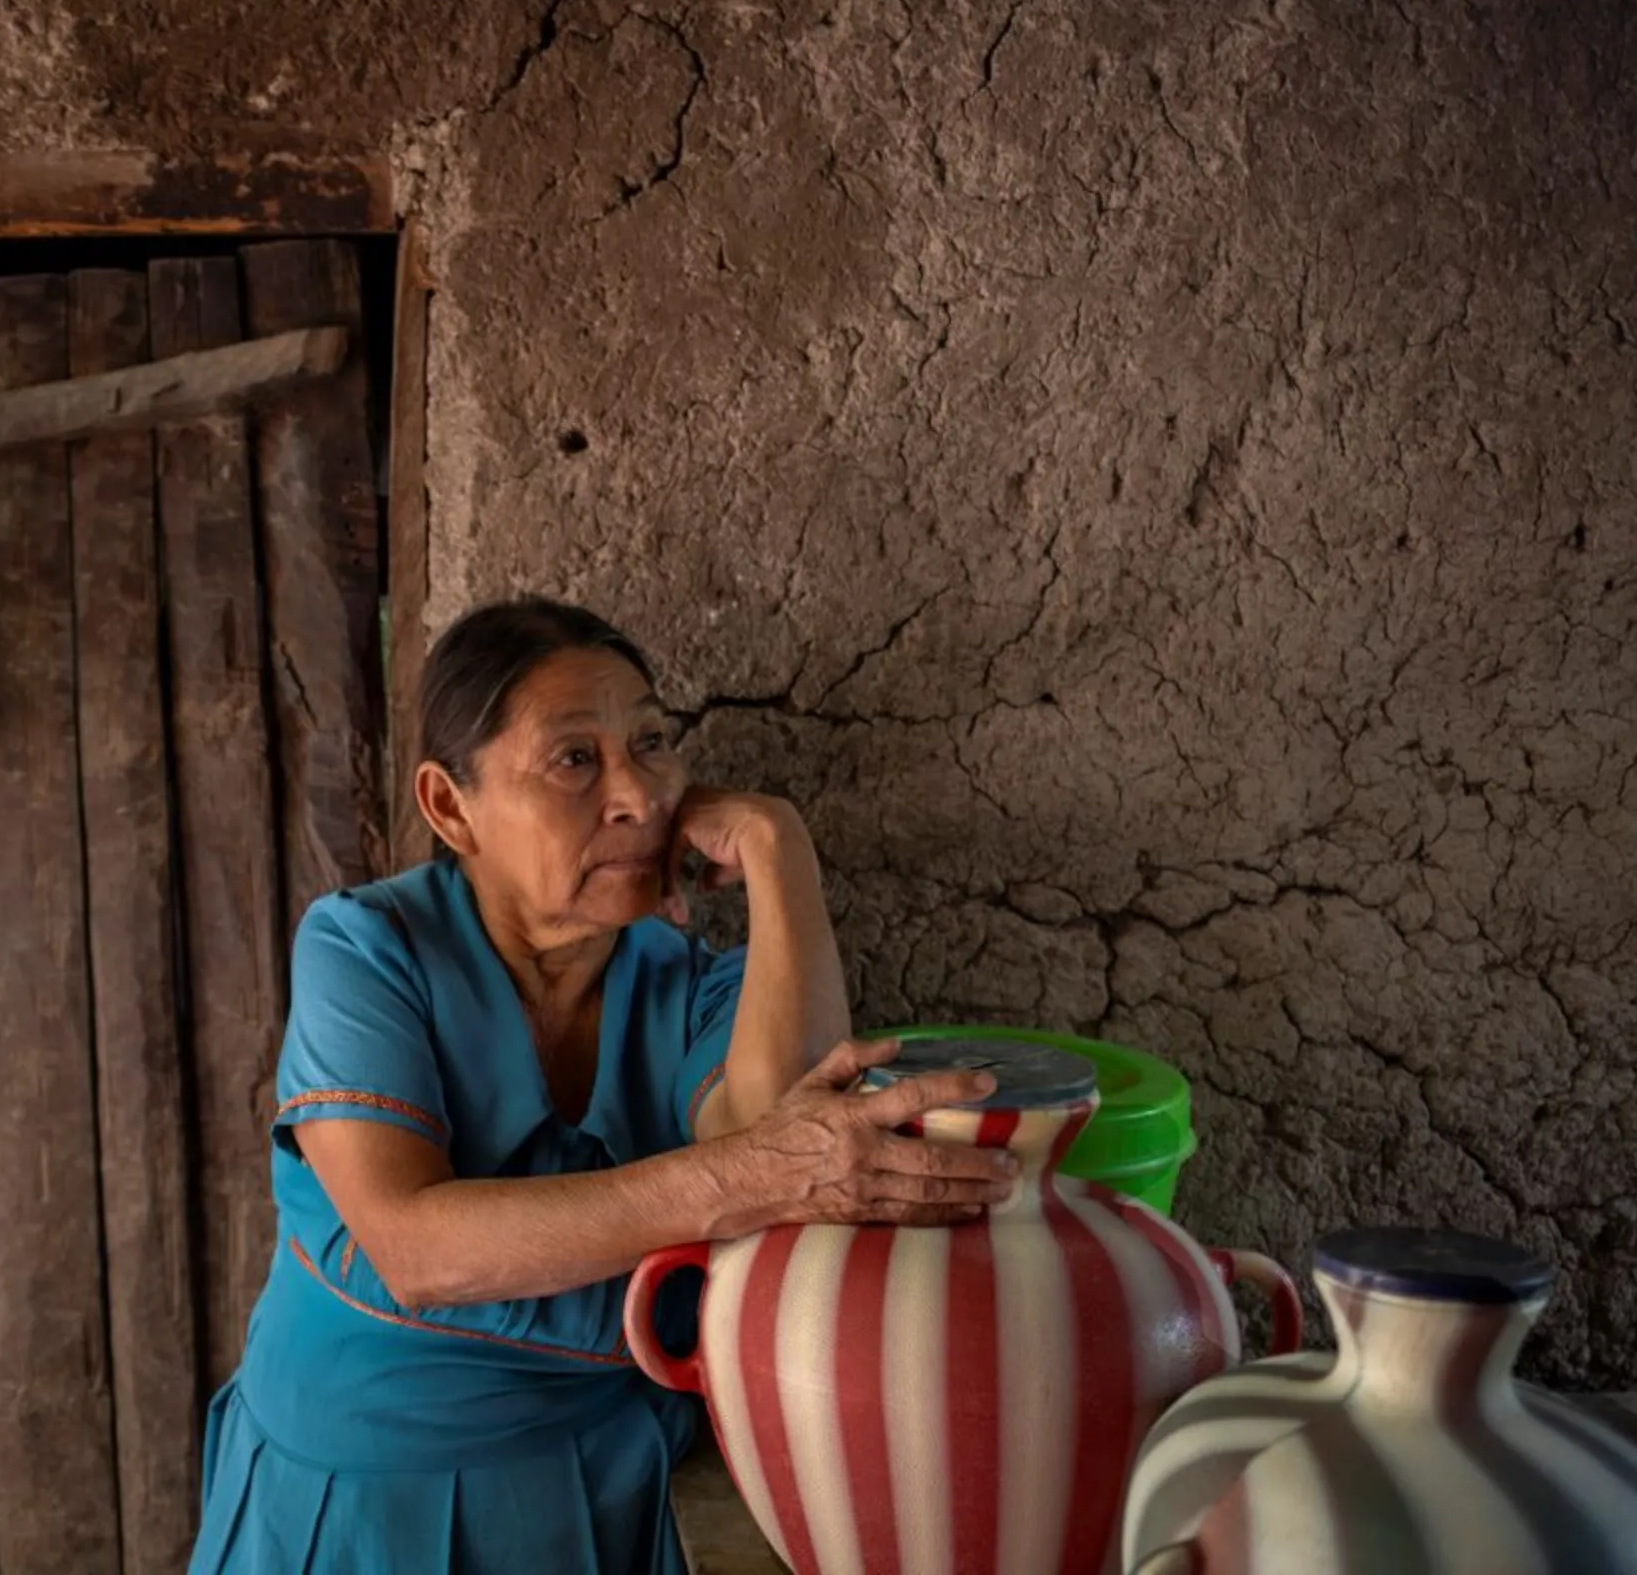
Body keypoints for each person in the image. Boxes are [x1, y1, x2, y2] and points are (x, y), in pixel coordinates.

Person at [187, 597, 1019, 1573]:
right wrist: (743, 1175)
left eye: (653, 743)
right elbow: (417, 1247)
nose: (637, 794)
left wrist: (776, 844)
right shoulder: (370, 948)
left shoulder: (689, 986)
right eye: (574, 759)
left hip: (610, 1488)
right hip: (358, 1504)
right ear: (451, 806)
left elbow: (792, 1153)